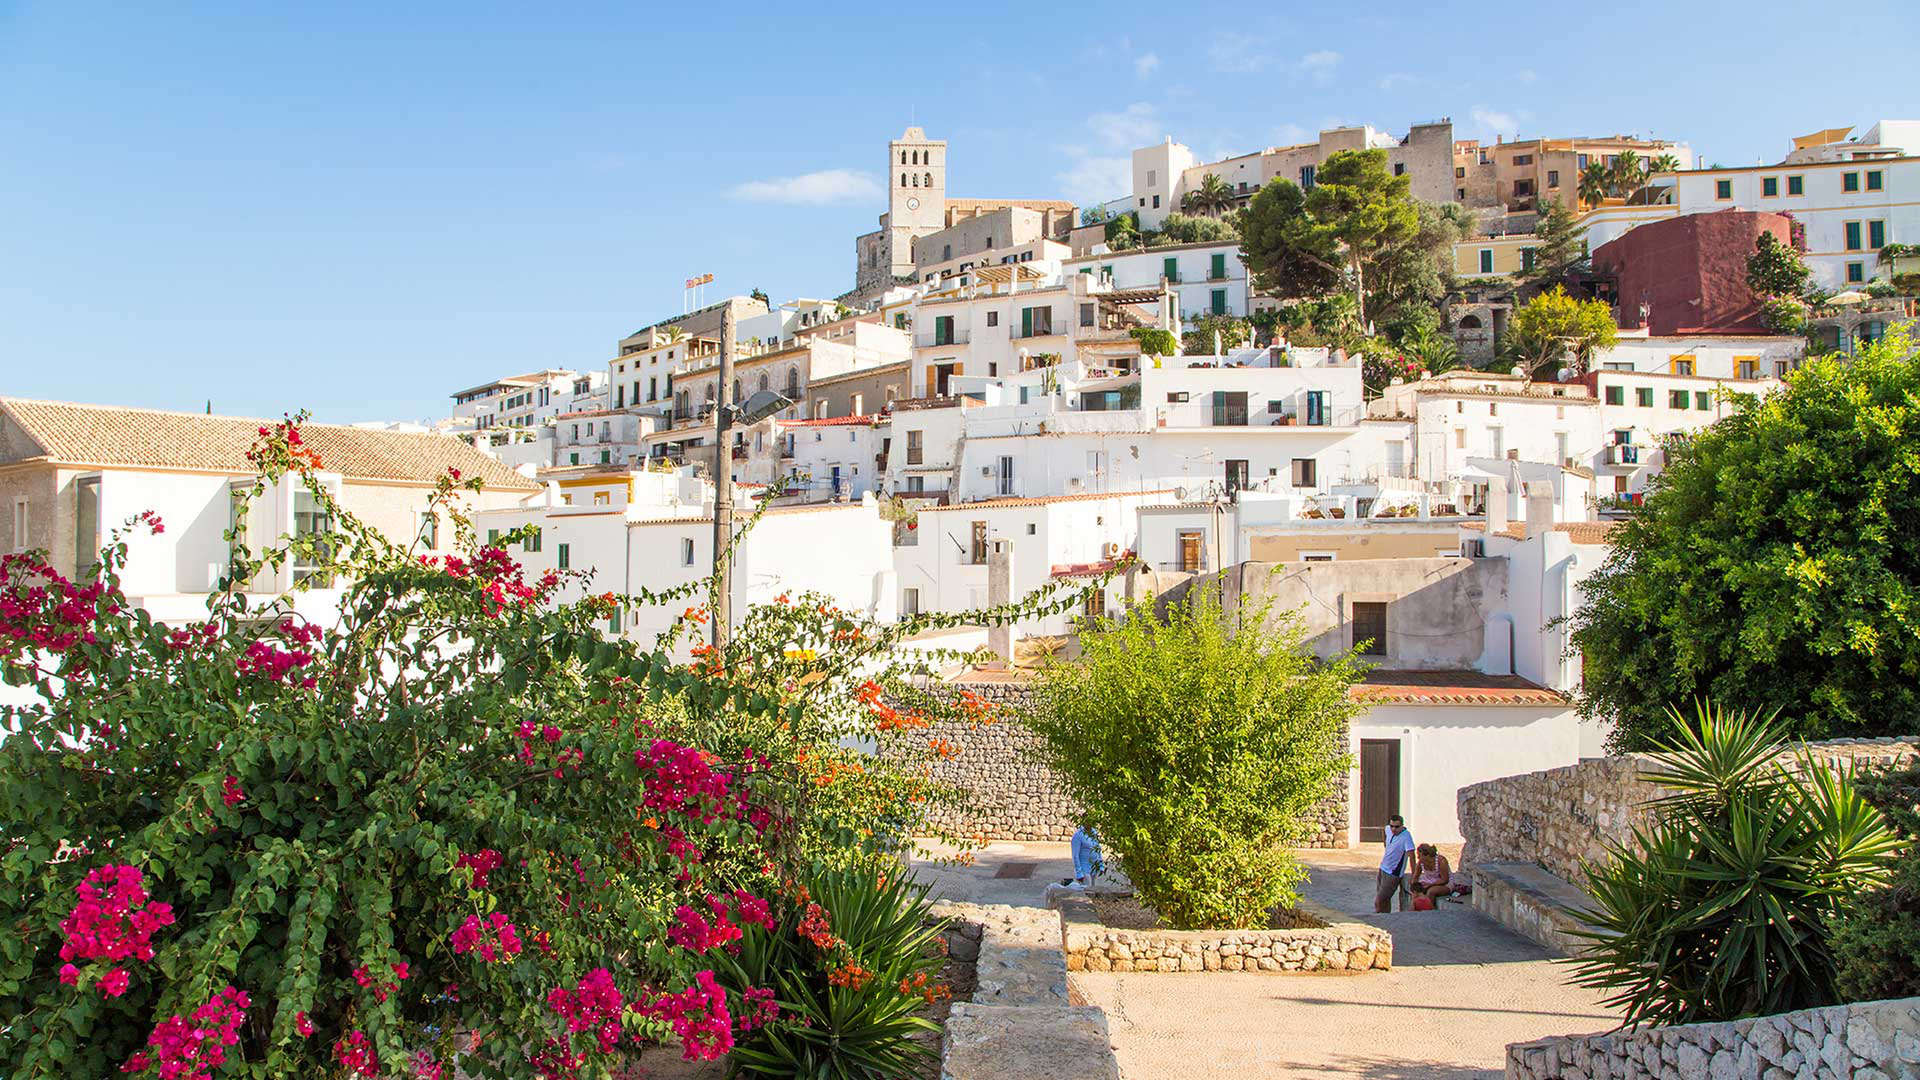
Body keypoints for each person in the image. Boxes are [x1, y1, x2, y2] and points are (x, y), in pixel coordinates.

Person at [1375, 815, 1415, 913]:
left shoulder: (1406, 836)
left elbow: (1412, 856)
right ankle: (1385, 918)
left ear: (1402, 826)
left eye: (1397, 827)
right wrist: (1385, 843)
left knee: (1379, 900)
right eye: (1392, 826)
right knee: (1384, 900)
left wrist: (1414, 875)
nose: (1394, 829)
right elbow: (1384, 830)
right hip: (1383, 868)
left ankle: (1377, 919)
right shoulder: (1388, 829)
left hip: (1393, 873)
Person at [1060, 824, 1102, 889]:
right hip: (1084, 869)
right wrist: (1079, 873)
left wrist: (1101, 865)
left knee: (1093, 890)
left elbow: (1098, 849)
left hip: (1094, 868)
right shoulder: (1078, 835)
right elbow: (1075, 855)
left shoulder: (1094, 832)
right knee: (1087, 890)